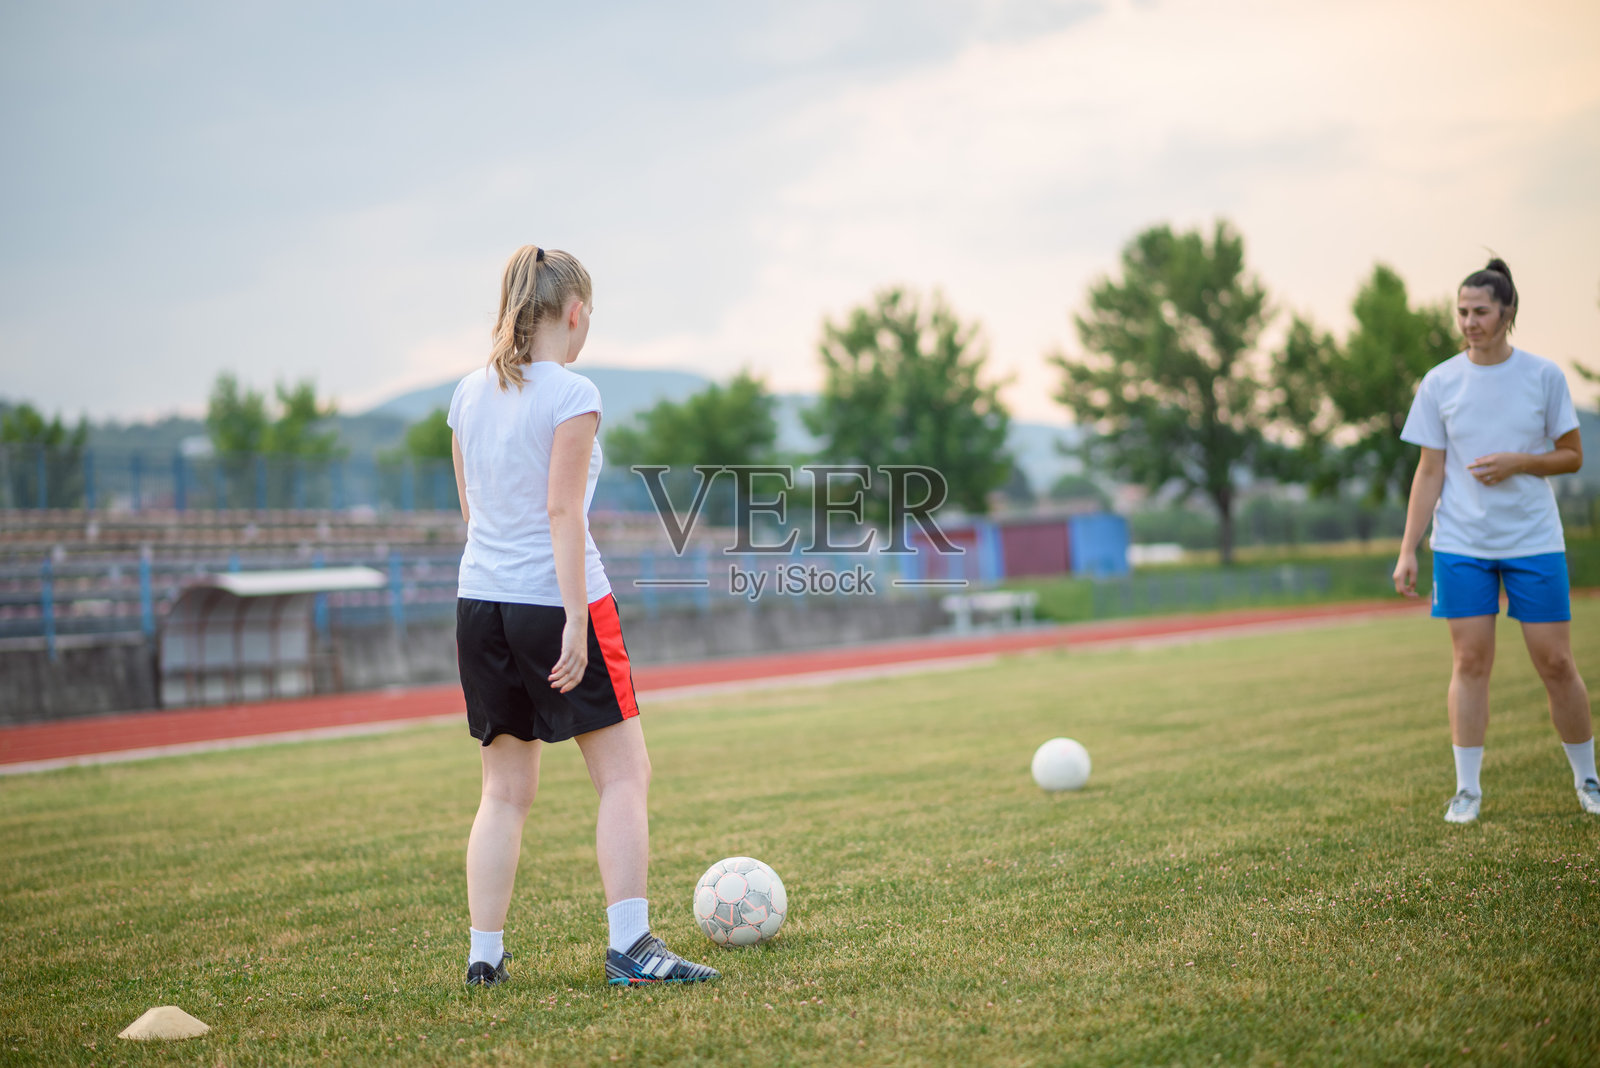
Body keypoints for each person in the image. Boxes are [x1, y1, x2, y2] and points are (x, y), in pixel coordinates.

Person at [448, 244, 719, 987]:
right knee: (625, 774)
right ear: (575, 313)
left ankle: (484, 958)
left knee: (503, 792)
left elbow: (473, 511)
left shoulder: (468, 393)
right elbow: (562, 511)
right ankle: (631, 948)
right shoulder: (573, 392)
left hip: (481, 604)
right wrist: (573, 618)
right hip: (559, 601)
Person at [1393, 257, 1600, 823]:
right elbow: (1429, 471)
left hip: (1534, 539)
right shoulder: (1439, 382)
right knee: (1469, 660)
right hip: (1461, 543)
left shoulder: (1543, 376)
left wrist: (1520, 462)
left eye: (1480, 311)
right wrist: (1409, 547)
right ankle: (1467, 791)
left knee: (1556, 661)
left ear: (1507, 312)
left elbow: (1572, 456)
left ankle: (1588, 779)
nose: (1469, 322)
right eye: (1462, 311)